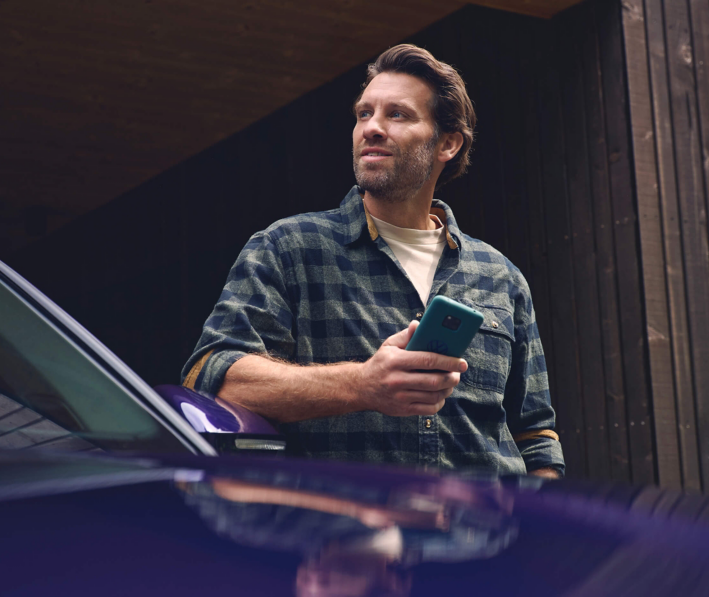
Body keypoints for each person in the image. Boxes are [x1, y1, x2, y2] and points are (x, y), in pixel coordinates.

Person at [182, 44, 564, 478]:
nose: (372, 128)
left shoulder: (500, 276)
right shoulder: (289, 248)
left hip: (485, 537)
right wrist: (363, 384)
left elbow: (536, 437)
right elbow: (212, 376)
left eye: (397, 115)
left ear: (448, 144)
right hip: (344, 534)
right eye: (364, 114)